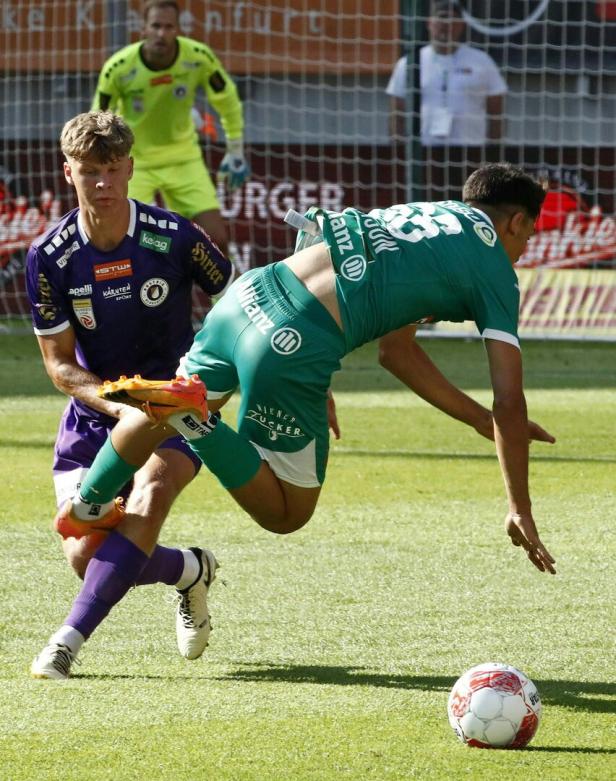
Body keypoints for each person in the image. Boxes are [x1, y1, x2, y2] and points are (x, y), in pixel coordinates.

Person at [54, 162, 557, 659]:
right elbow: (509, 402)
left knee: (161, 405)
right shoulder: (494, 268)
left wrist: (475, 421)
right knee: (286, 513)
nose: (522, 250)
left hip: (250, 294)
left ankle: (87, 503)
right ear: (516, 222)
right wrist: (520, 508)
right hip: (294, 341)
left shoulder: (429, 217)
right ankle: (198, 421)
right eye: (527, 238)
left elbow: (395, 350)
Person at [26, 111, 234, 679]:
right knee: (84, 556)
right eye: (90, 171)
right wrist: (121, 409)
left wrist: (271, 374)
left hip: (177, 406)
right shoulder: (50, 257)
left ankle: (65, 643)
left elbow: (240, 304)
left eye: (113, 170)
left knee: (151, 493)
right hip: (97, 417)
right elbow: (59, 365)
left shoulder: (176, 237)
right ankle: (189, 570)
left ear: (131, 169)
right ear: (68, 172)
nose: (103, 184)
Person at [92, 0, 249, 256]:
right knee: (128, 244)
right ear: (143, 29)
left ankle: (225, 299)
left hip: (183, 159)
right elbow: (96, 120)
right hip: (134, 163)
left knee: (216, 240)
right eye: (155, 26)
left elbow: (227, 99)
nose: (161, 33)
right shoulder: (119, 68)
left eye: (168, 27)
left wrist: (235, 149)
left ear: (178, 30)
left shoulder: (198, 57)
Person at [386, 0, 507, 200]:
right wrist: (398, 148)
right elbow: (397, 110)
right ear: (429, 23)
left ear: (462, 25)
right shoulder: (410, 62)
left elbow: (496, 110)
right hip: (424, 152)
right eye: (440, 19)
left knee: (468, 205)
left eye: (452, 20)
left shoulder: (481, 61)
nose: (446, 25)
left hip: (470, 150)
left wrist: (493, 150)